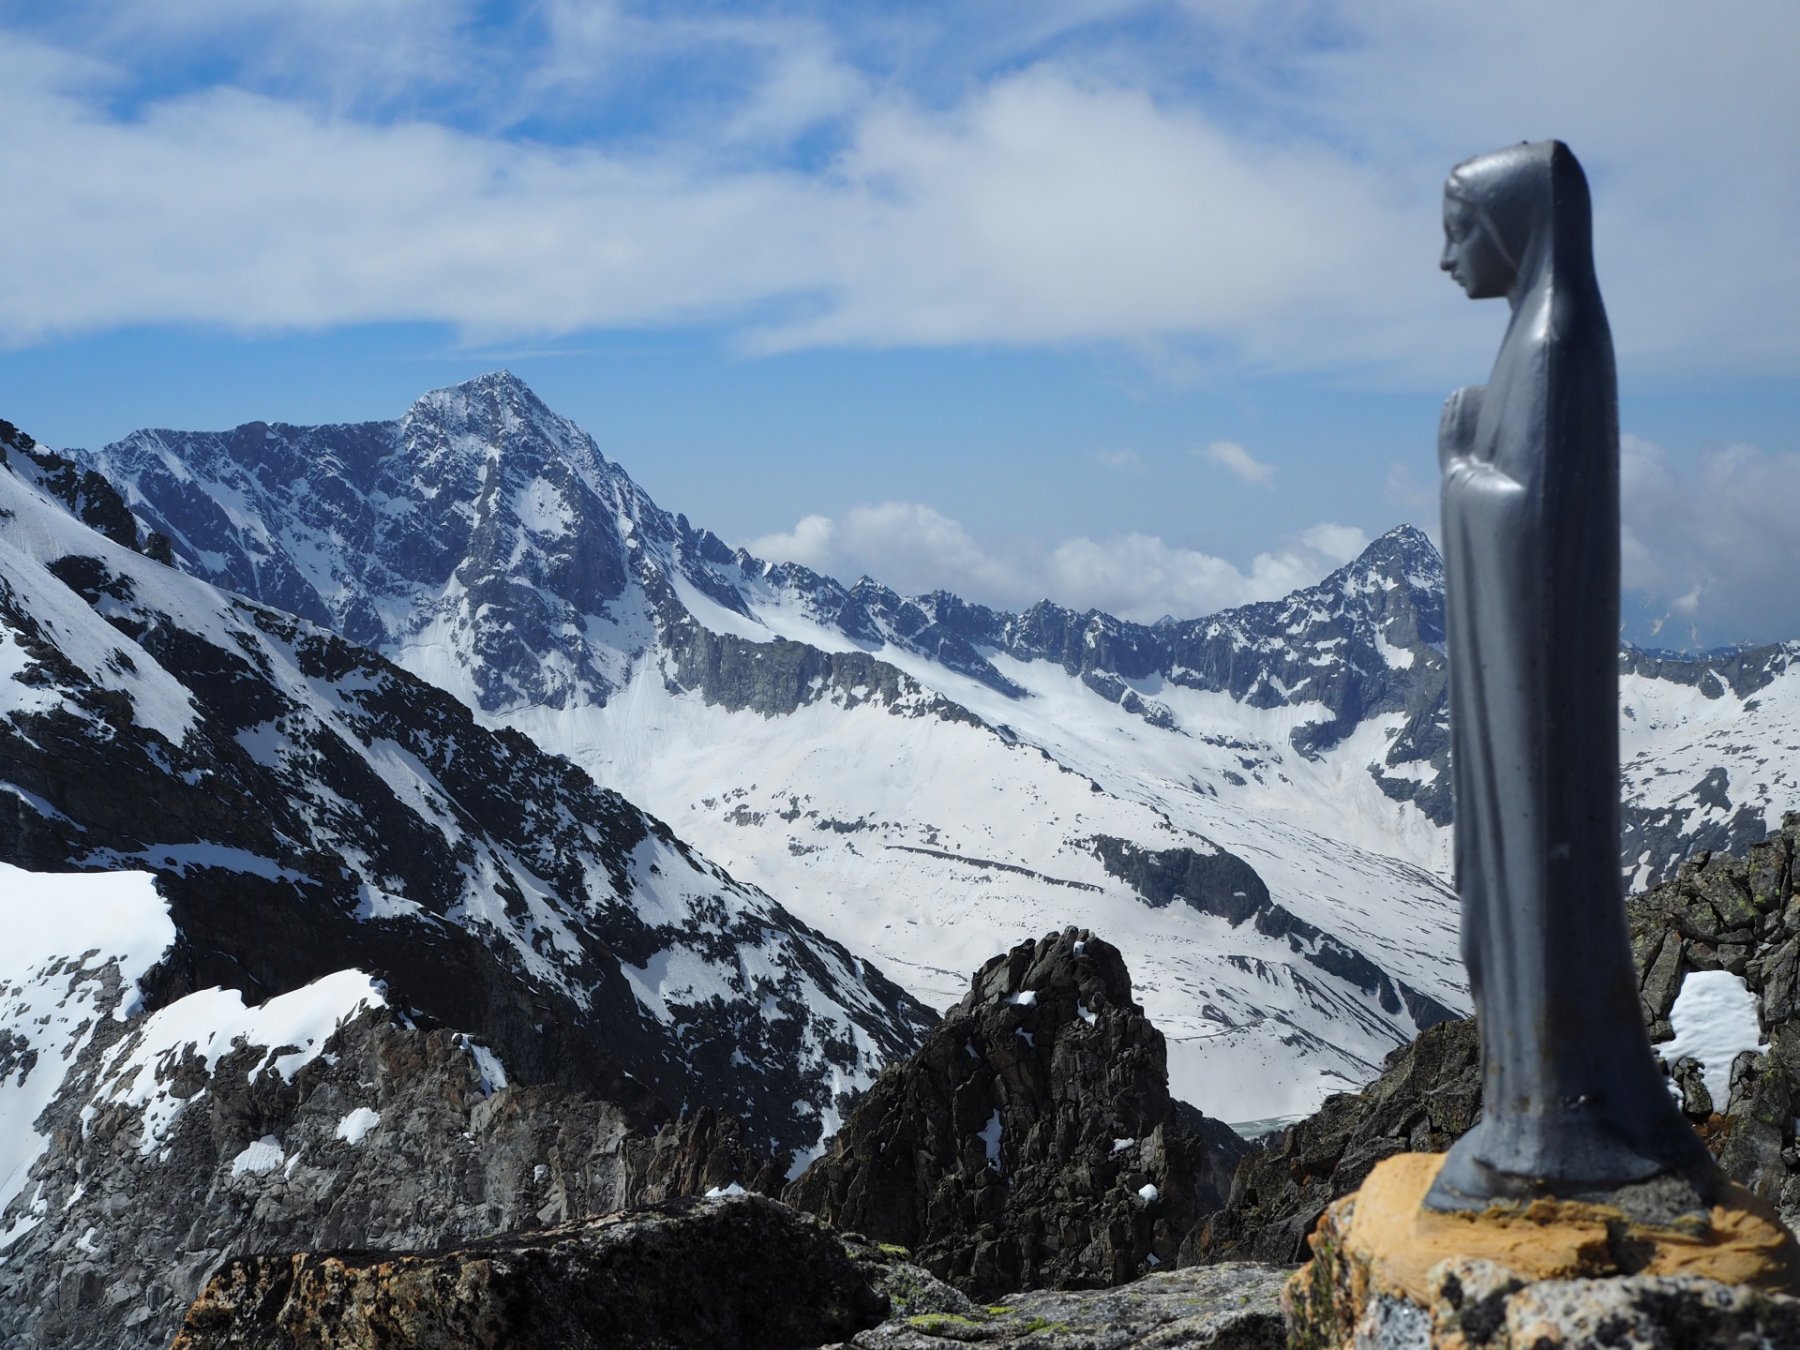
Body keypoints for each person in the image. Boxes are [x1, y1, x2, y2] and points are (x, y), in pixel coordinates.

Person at [1427, 141, 1716, 1209]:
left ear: (1510, 229)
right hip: (1532, 698)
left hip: (1539, 716)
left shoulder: (1550, 344)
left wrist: (1458, 469)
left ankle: (1554, 1121)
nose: (1443, 256)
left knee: (1539, 891)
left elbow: (1533, 524)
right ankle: (1533, 1107)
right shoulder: (1539, 336)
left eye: (1458, 229)